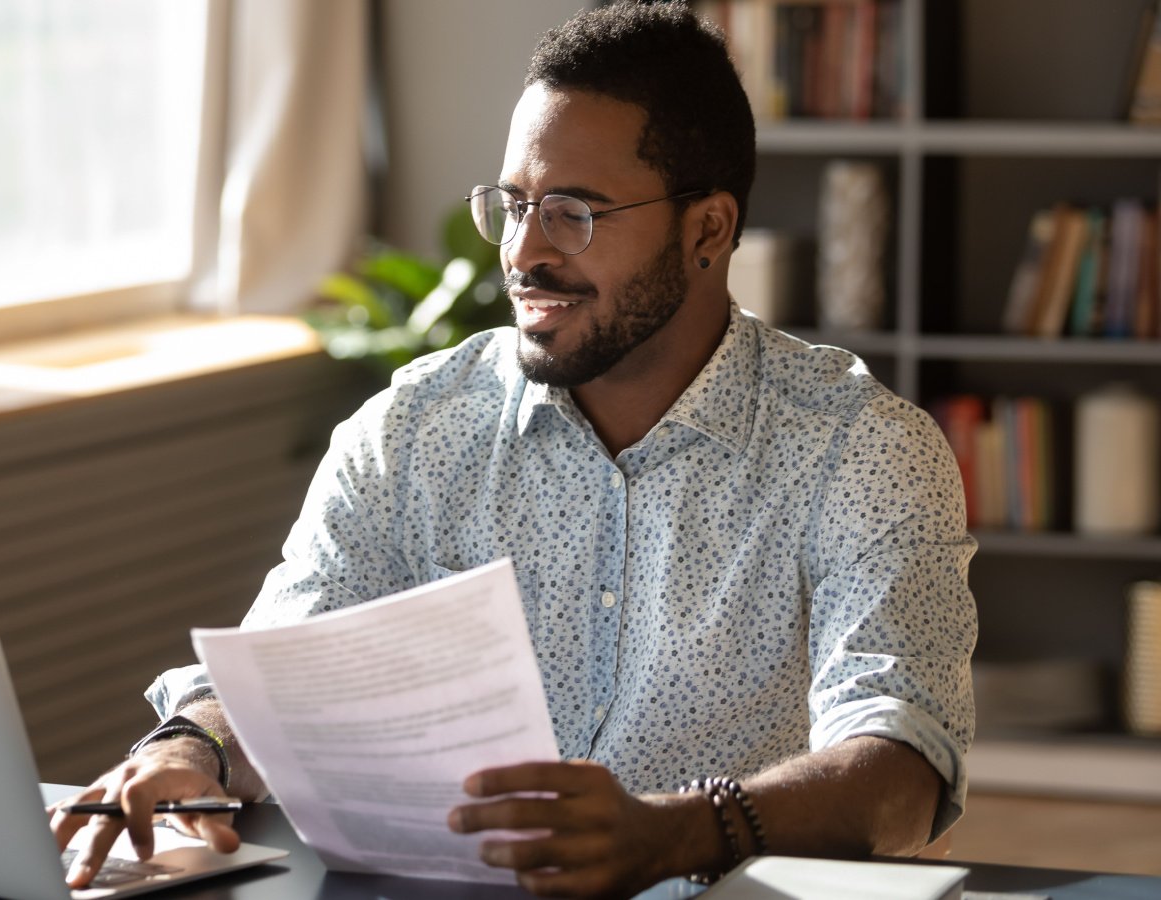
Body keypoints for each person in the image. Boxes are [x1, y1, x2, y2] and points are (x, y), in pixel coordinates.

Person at [51, 2, 977, 896]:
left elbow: (903, 766)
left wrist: (676, 834)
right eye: (514, 202)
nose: (525, 252)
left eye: (574, 212)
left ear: (707, 230)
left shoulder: (861, 449)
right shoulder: (417, 427)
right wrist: (190, 746)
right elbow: (281, 675)